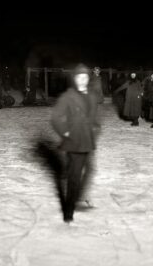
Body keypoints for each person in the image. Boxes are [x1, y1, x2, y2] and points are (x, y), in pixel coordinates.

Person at [50, 63, 99, 223]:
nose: (83, 80)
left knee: (89, 170)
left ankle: (77, 198)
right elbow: (56, 117)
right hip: (74, 142)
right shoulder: (68, 96)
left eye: (85, 77)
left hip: (88, 140)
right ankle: (69, 213)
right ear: (75, 79)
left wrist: (95, 130)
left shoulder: (91, 96)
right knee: (74, 178)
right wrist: (65, 132)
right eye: (79, 77)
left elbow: (94, 118)